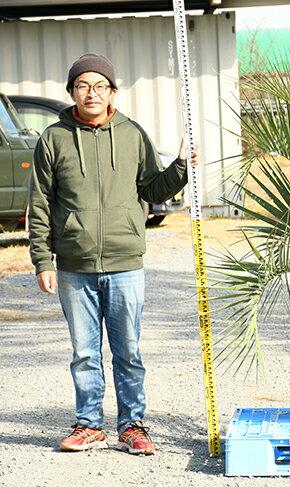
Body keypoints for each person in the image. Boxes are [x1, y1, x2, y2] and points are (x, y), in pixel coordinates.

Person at [28, 53, 199, 455]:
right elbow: (38, 204)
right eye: (83, 85)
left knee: (128, 351)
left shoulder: (131, 134)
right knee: (85, 353)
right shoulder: (53, 138)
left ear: (112, 92)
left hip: (125, 264)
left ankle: (132, 426)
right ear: (71, 92)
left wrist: (181, 166)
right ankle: (89, 425)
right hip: (73, 265)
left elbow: (154, 191)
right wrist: (42, 261)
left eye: (100, 85)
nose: (92, 92)